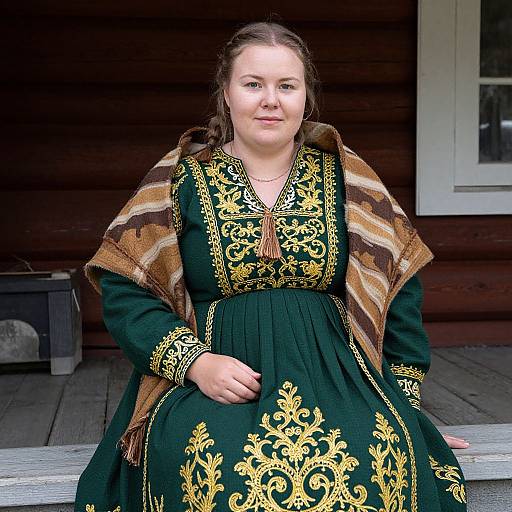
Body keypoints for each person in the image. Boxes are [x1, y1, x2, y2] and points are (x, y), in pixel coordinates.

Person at [75, 21, 469, 512]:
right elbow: (125, 286)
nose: (271, 100)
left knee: (377, 460)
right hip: (217, 382)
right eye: (253, 84)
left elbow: (399, 285)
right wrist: (195, 364)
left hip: (340, 377)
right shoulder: (178, 183)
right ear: (226, 93)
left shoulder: (351, 181)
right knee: (213, 468)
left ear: (306, 96)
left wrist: (406, 407)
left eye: (287, 85)